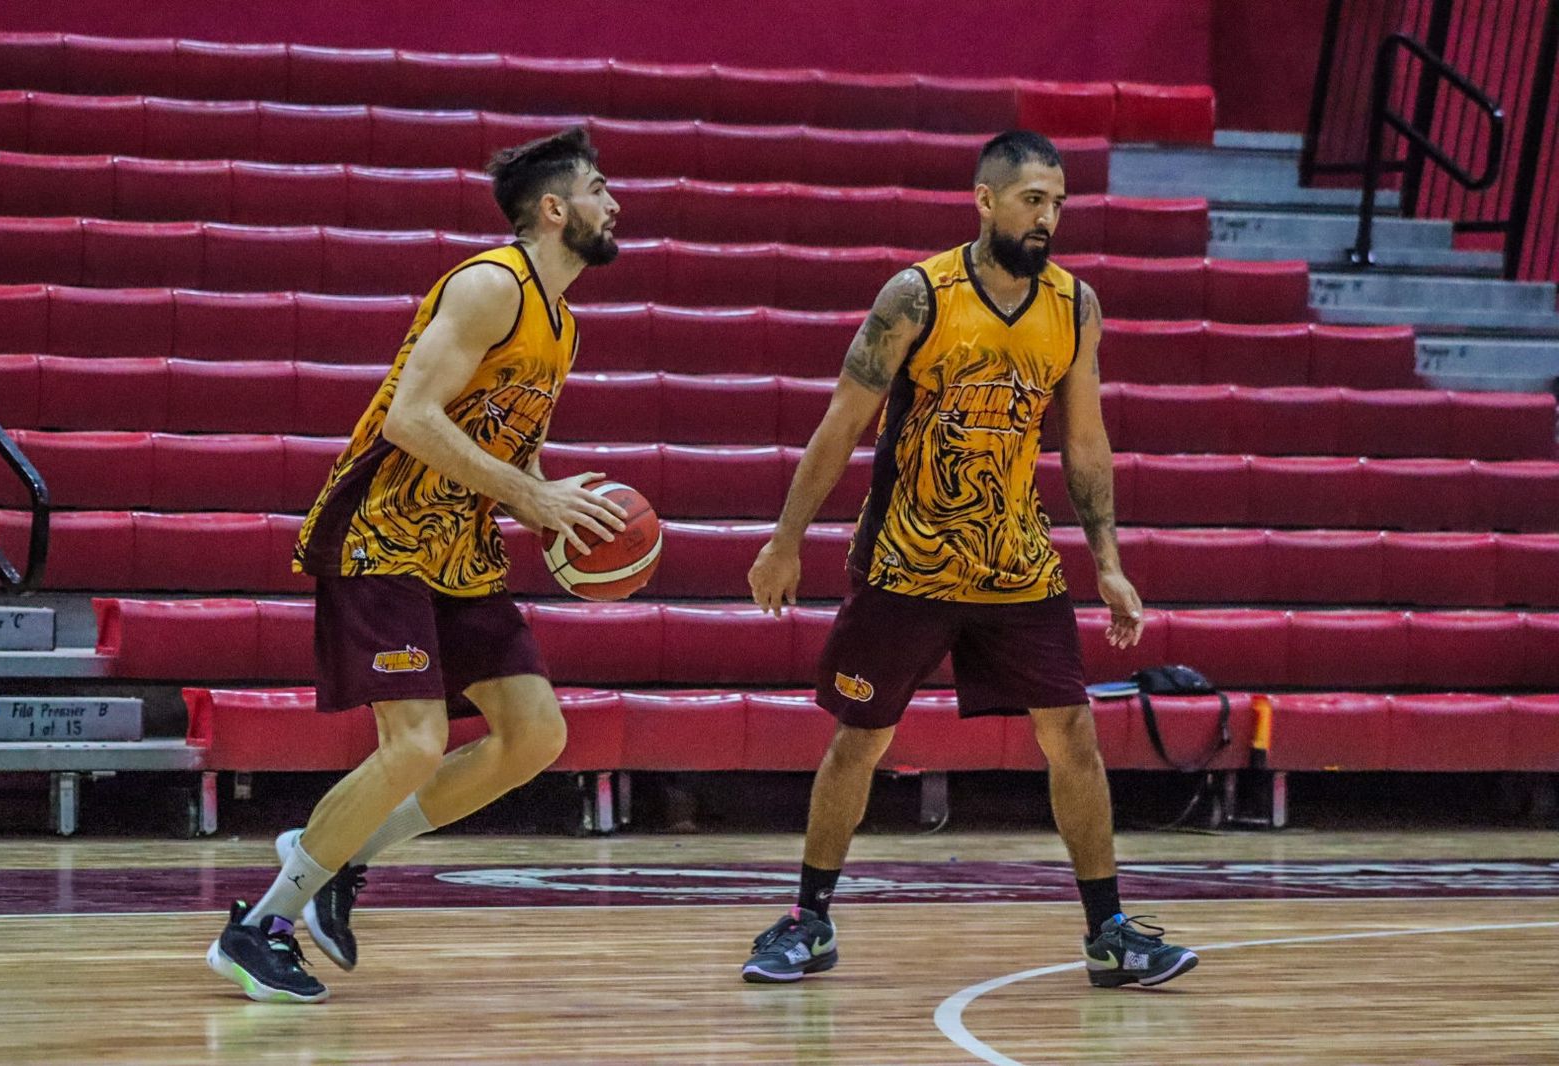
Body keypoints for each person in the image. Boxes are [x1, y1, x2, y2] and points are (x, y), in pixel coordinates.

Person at [740, 130, 1197, 989]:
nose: (1048, 216)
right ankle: (809, 920)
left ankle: (1110, 932)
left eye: (1058, 202)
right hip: (908, 559)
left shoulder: (1075, 306)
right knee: (861, 740)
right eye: (1032, 198)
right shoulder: (917, 296)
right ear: (985, 200)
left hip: (1014, 563)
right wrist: (786, 538)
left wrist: (1108, 560)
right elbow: (842, 423)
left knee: (1074, 737)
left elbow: (1085, 441)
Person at [206, 127, 628, 1003]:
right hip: (385, 534)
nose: (613, 201)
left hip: (460, 548)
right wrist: (530, 494)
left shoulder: (565, 325)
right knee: (416, 743)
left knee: (535, 735)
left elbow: (513, 443)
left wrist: (551, 509)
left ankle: (338, 859)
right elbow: (409, 418)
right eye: (597, 187)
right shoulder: (488, 285)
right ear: (554, 210)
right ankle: (260, 927)